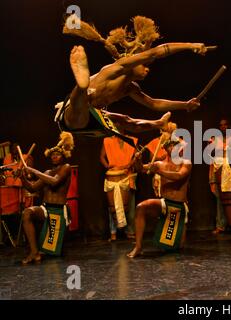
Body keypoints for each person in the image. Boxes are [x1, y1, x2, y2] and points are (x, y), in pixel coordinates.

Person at [55, 15, 208, 141]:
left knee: (127, 121)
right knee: (79, 107)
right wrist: (190, 45)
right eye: (144, 64)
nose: (147, 68)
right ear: (133, 61)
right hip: (72, 116)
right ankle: (81, 84)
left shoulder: (130, 88)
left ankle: (158, 123)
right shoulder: (117, 68)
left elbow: (154, 104)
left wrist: (185, 105)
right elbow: (155, 52)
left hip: (93, 118)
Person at [127, 138, 192, 258]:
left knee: (177, 248)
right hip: (165, 203)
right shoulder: (159, 164)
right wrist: (137, 160)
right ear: (167, 149)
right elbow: (140, 169)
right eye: (172, 146)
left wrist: (159, 172)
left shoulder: (186, 163)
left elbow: (178, 176)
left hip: (179, 206)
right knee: (141, 207)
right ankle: (138, 246)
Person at [19, 132, 74, 264]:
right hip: (45, 209)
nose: (54, 156)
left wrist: (34, 171)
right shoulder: (47, 173)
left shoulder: (66, 168)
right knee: (27, 213)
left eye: (58, 154)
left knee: (52, 253)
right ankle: (34, 252)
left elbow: (54, 182)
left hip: (58, 212)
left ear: (63, 156)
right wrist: (22, 177)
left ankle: (42, 250)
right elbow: (32, 188)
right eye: (53, 155)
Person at [100, 135, 138, 241]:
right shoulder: (108, 140)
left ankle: (129, 231)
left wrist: (129, 164)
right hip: (113, 175)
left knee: (130, 205)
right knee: (112, 206)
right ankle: (113, 232)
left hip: (128, 174)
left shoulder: (131, 140)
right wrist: (108, 166)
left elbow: (136, 156)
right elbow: (102, 156)